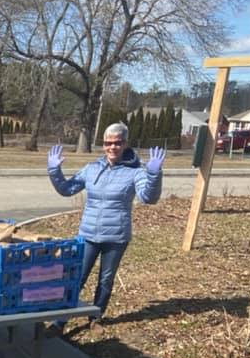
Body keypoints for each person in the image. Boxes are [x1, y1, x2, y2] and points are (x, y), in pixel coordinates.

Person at [46, 122, 165, 333]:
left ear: (125, 143)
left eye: (117, 143)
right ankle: (59, 322)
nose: (112, 147)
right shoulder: (91, 169)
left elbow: (148, 198)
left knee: (106, 280)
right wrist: (54, 170)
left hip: (116, 237)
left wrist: (154, 175)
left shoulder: (135, 172)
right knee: (77, 278)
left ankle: (96, 318)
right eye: (108, 143)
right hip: (88, 234)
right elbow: (66, 189)